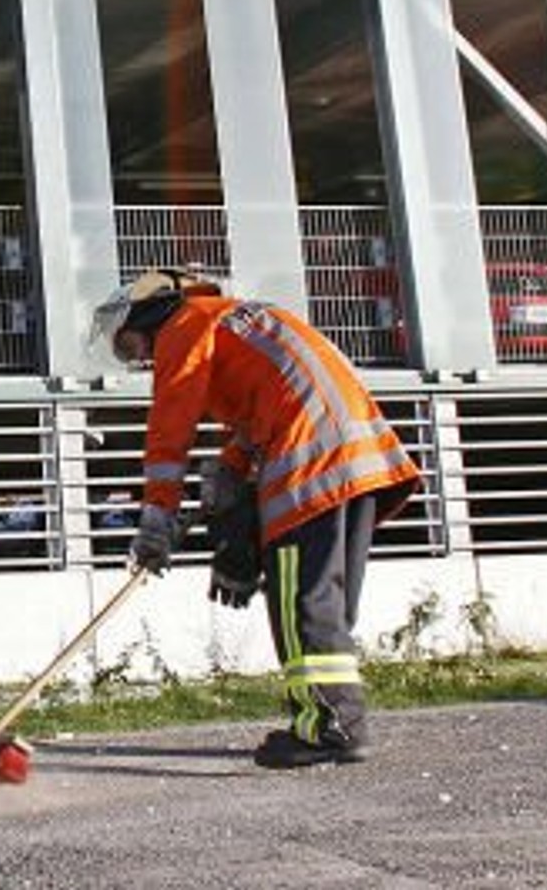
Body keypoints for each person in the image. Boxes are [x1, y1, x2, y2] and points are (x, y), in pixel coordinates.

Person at [90, 268, 422, 769]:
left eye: (132, 346)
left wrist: (157, 514)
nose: (139, 360)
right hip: (361, 456)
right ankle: (335, 717)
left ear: (149, 317)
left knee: (298, 600)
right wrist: (228, 470)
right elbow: (264, 409)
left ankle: (327, 728)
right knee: (325, 602)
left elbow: (170, 425)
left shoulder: (184, 327)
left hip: (310, 461)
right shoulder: (238, 321)